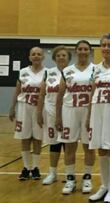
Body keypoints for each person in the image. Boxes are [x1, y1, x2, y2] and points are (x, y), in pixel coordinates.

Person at [87, 33, 110, 203]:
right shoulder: (96, 68)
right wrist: (89, 116)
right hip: (97, 109)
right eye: (104, 45)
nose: (106, 48)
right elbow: (92, 92)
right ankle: (104, 185)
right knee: (100, 148)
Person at [55, 40, 95, 195]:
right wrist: (58, 117)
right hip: (69, 110)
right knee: (70, 147)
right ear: (76, 51)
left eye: (86, 49)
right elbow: (60, 95)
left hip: (88, 110)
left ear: (89, 51)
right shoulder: (67, 70)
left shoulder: (95, 69)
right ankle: (70, 179)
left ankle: (87, 178)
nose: (83, 51)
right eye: (80, 49)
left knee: (88, 147)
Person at [9, 47, 46, 180]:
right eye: (33, 54)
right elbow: (17, 90)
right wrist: (12, 107)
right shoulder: (23, 72)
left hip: (39, 108)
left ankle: (35, 167)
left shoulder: (48, 72)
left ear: (43, 57)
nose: (36, 56)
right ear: (30, 57)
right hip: (24, 107)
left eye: (39, 54)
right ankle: (26, 167)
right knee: (25, 138)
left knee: (37, 138)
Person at [37, 46, 72, 185]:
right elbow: (41, 94)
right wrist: (39, 113)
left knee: (68, 143)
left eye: (64, 55)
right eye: (58, 55)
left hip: (69, 111)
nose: (61, 57)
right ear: (54, 58)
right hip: (50, 111)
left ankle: (70, 173)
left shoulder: (72, 72)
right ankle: (52, 173)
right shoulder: (48, 73)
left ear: (69, 58)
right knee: (54, 143)